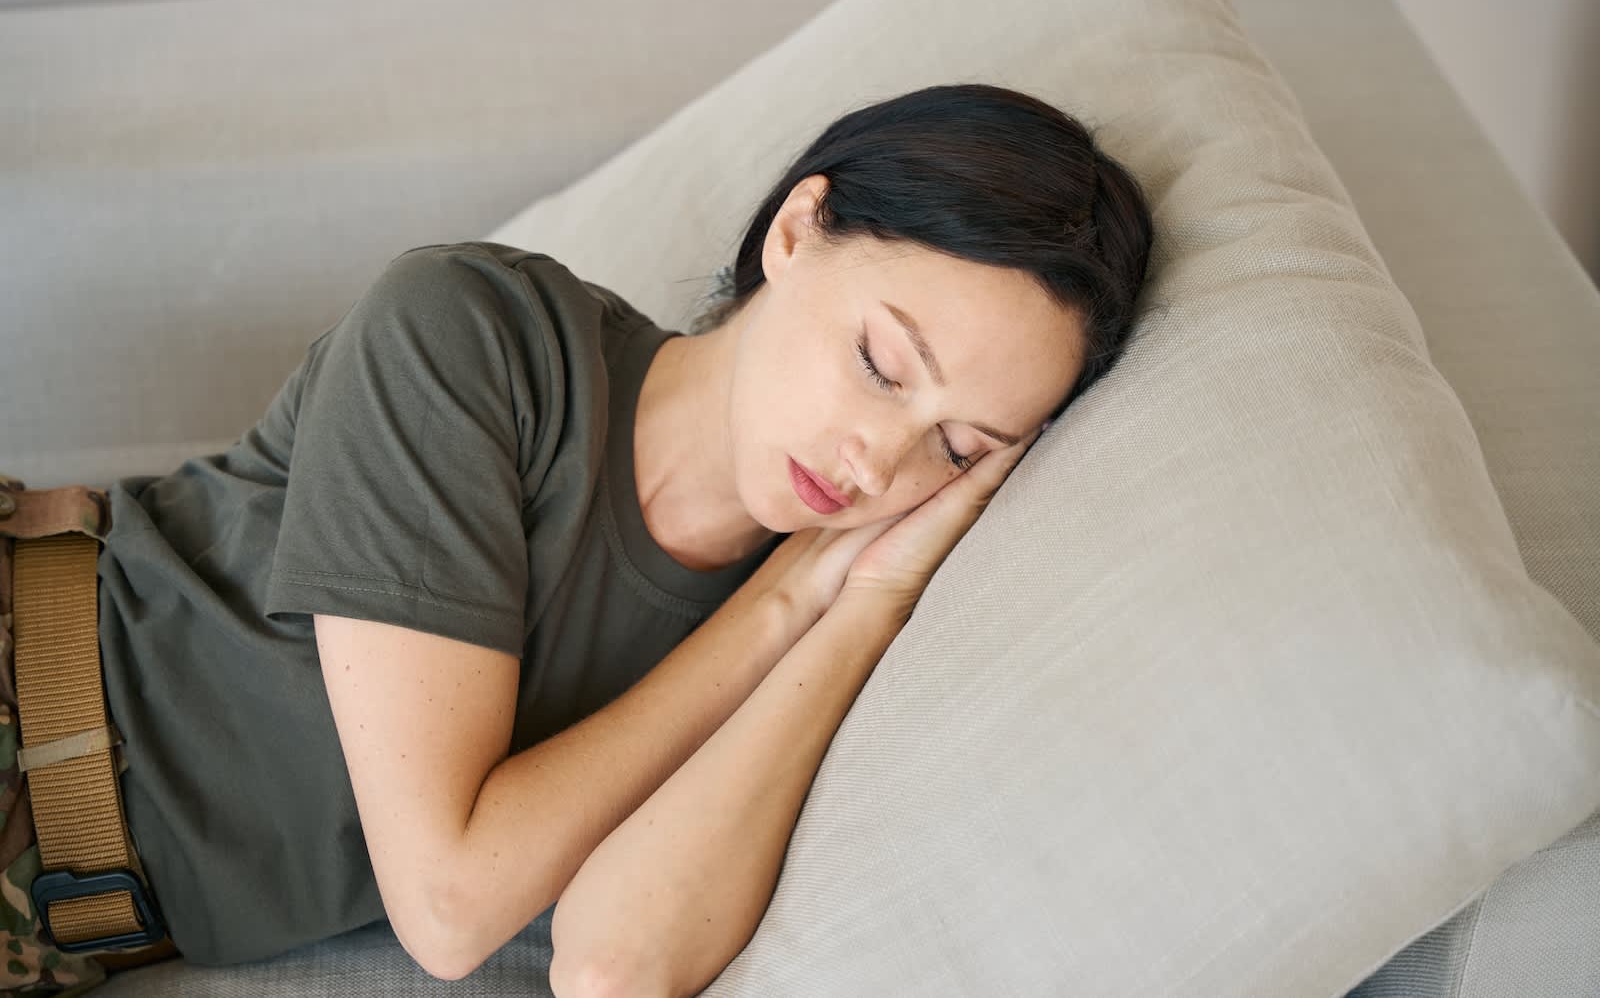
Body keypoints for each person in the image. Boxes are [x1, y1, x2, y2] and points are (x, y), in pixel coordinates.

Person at [0, 81, 1154, 995]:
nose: (875, 464)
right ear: (797, 231)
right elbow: (449, 903)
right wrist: (778, 611)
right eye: (881, 362)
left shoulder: (820, 604)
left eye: (957, 447)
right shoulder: (472, 335)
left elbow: (614, 966)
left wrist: (848, 611)